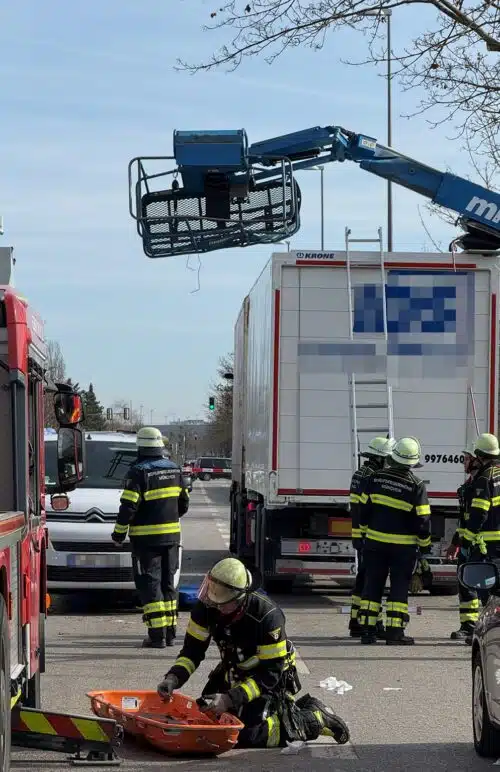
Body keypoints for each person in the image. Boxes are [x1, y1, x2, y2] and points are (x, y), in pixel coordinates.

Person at [157, 557, 350, 750]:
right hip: (234, 671)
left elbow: (270, 674)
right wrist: (173, 678)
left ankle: (312, 718)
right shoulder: (207, 606)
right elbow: (192, 651)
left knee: (245, 735)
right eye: (212, 595)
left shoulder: (267, 617)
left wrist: (229, 699)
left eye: (222, 602)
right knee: (209, 722)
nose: (216, 606)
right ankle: (273, 712)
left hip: (266, 679)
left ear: (241, 599)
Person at [111, 427, 190, 648]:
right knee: (168, 584)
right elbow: (183, 503)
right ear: (160, 446)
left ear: (140, 446)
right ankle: (171, 634)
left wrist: (118, 533)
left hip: (146, 541)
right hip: (172, 537)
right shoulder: (175, 470)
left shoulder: (138, 472)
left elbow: (128, 507)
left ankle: (157, 636)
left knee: (150, 583)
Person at [357, 437, 431, 646]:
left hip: (374, 543)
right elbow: (423, 520)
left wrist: (364, 534)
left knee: (372, 585)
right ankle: (394, 632)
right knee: (399, 587)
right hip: (403, 548)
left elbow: (363, 509)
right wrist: (424, 546)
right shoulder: (416, 485)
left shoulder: (375, 478)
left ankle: (368, 631)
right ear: (412, 463)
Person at [348, 436, 396, 639]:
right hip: (370, 535)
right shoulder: (372, 477)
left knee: (364, 579)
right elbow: (369, 509)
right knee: (372, 582)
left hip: (361, 534)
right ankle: (371, 622)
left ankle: (356, 620)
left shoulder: (360, 473)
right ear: (381, 458)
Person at [460, 433, 500, 612]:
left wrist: (467, 540)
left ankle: (487, 628)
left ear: (479, 455)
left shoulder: (485, 478)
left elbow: (479, 514)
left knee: (485, 587)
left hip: (488, 545)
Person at [447, 444, 482, 641]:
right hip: (468, 542)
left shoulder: (482, 484)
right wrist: (456, 543)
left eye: (467, 459)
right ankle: (469, 626)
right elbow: (464, 519)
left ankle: (475, 628)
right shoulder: (470, 485)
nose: (464, 462)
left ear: (477, 460)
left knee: (478, 585)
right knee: (465, 582)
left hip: (480, 543)